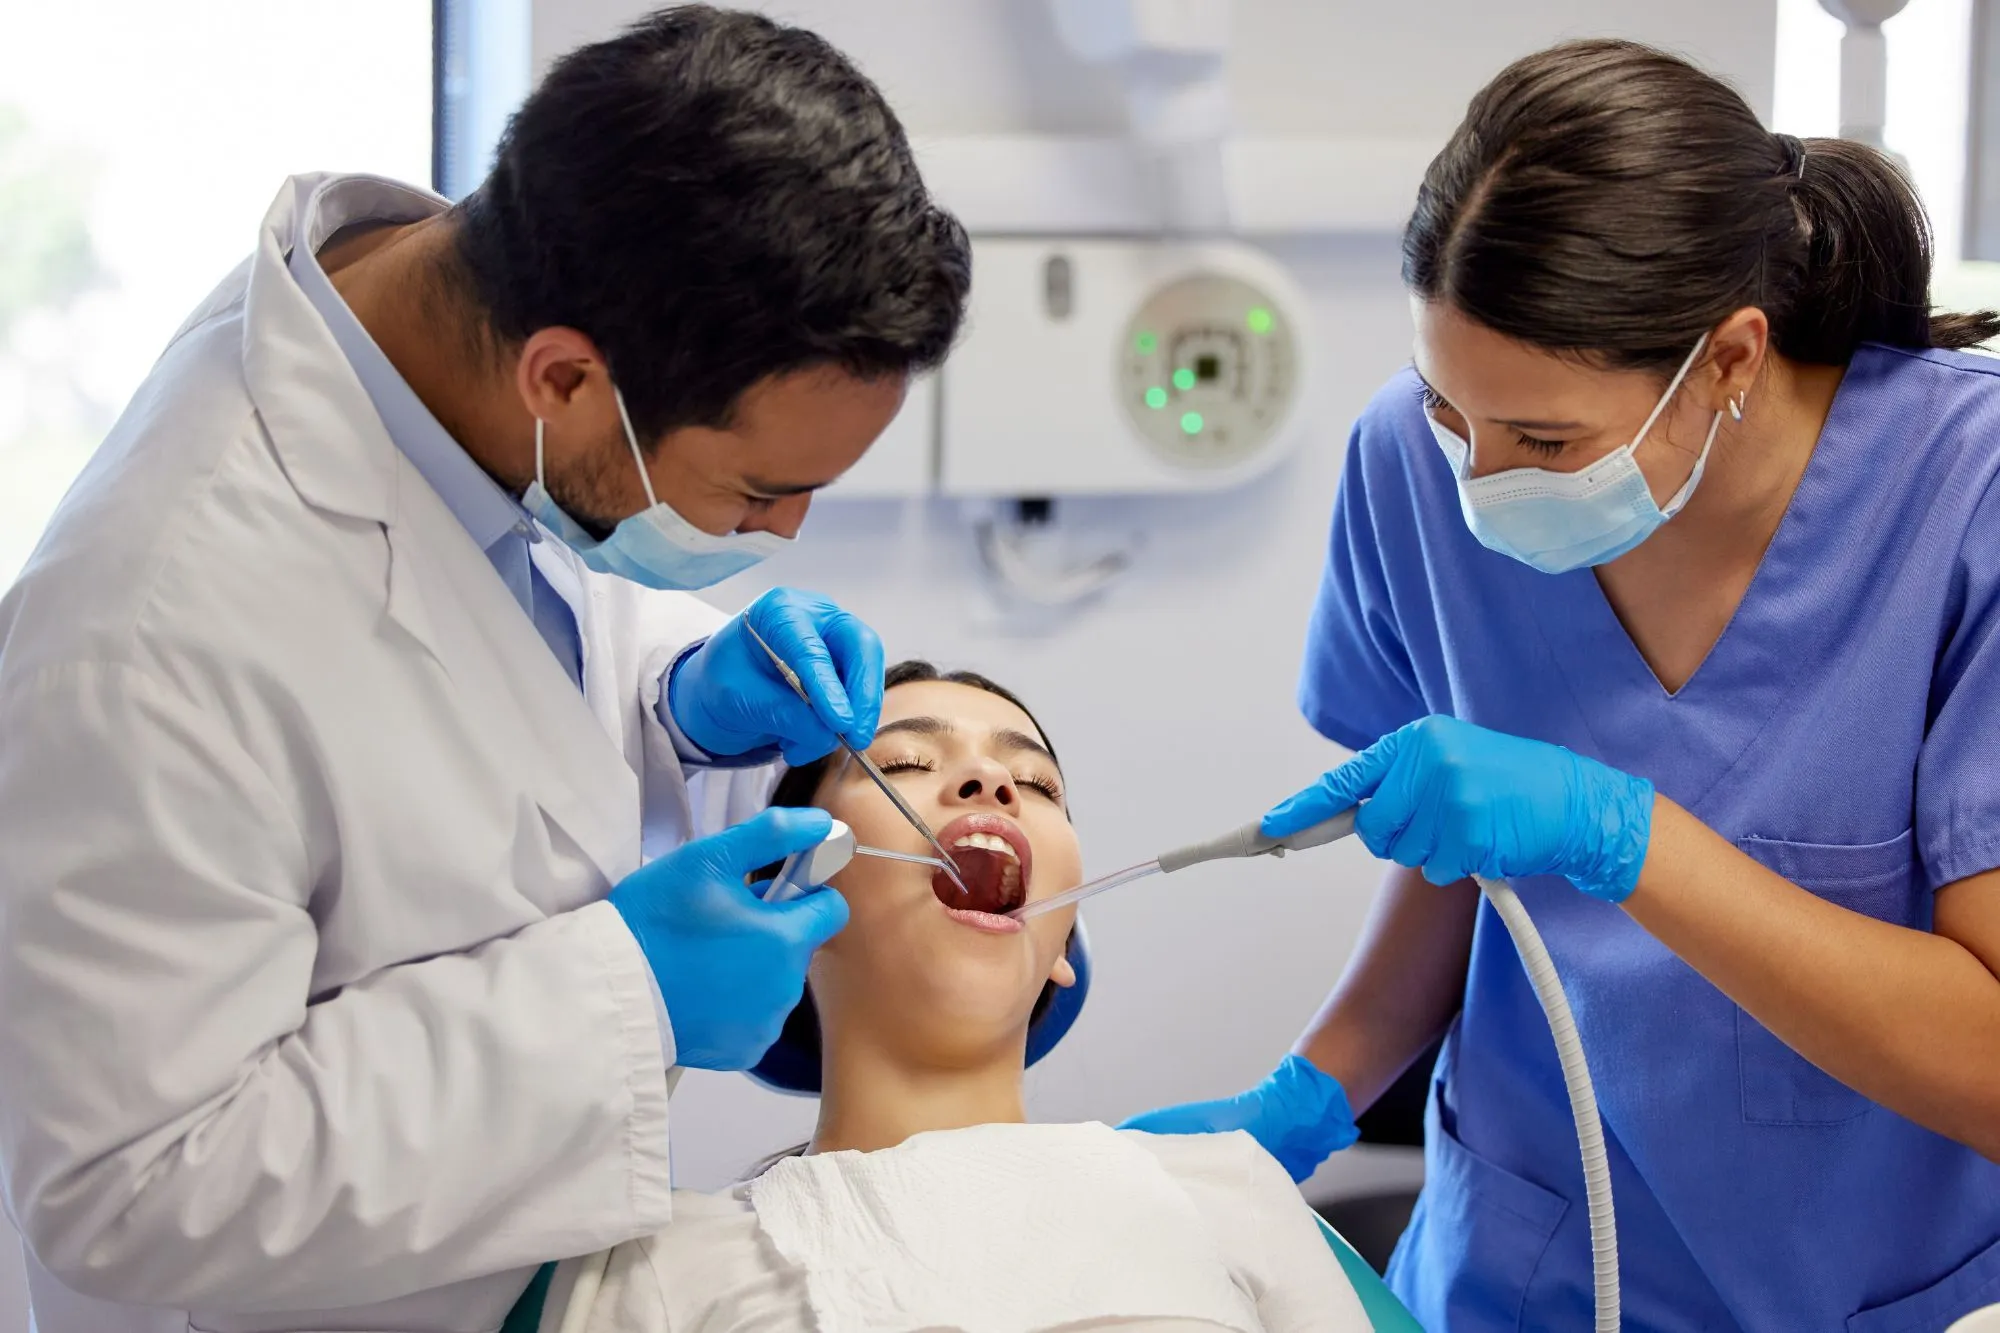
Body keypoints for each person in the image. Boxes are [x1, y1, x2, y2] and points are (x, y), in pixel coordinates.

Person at [0, 9, 968, 1332]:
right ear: (564, 379)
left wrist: (678, 701)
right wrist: (625, 1002)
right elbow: (129, 1189)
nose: (787, 533)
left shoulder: (483, 348)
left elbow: (490, 657)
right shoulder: (151, 635)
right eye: (760, 488)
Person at [1127, 38, 2000, 1333]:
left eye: (1545, 441)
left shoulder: (1964, 499)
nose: (1478, 485)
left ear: (1729, 360)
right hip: (1527, 1268)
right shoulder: (1406, 466)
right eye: (1447, 410)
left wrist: (1627, 836)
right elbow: (1466, 849)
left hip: (1874, 1289)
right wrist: (1312, 1091)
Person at [532, 661, 1375, 1332]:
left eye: (1036, 782)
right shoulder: (662, 1267)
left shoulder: (1228, 1189)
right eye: (903, 764)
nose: (990, 782)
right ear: (787, 903)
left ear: (1061, 953)